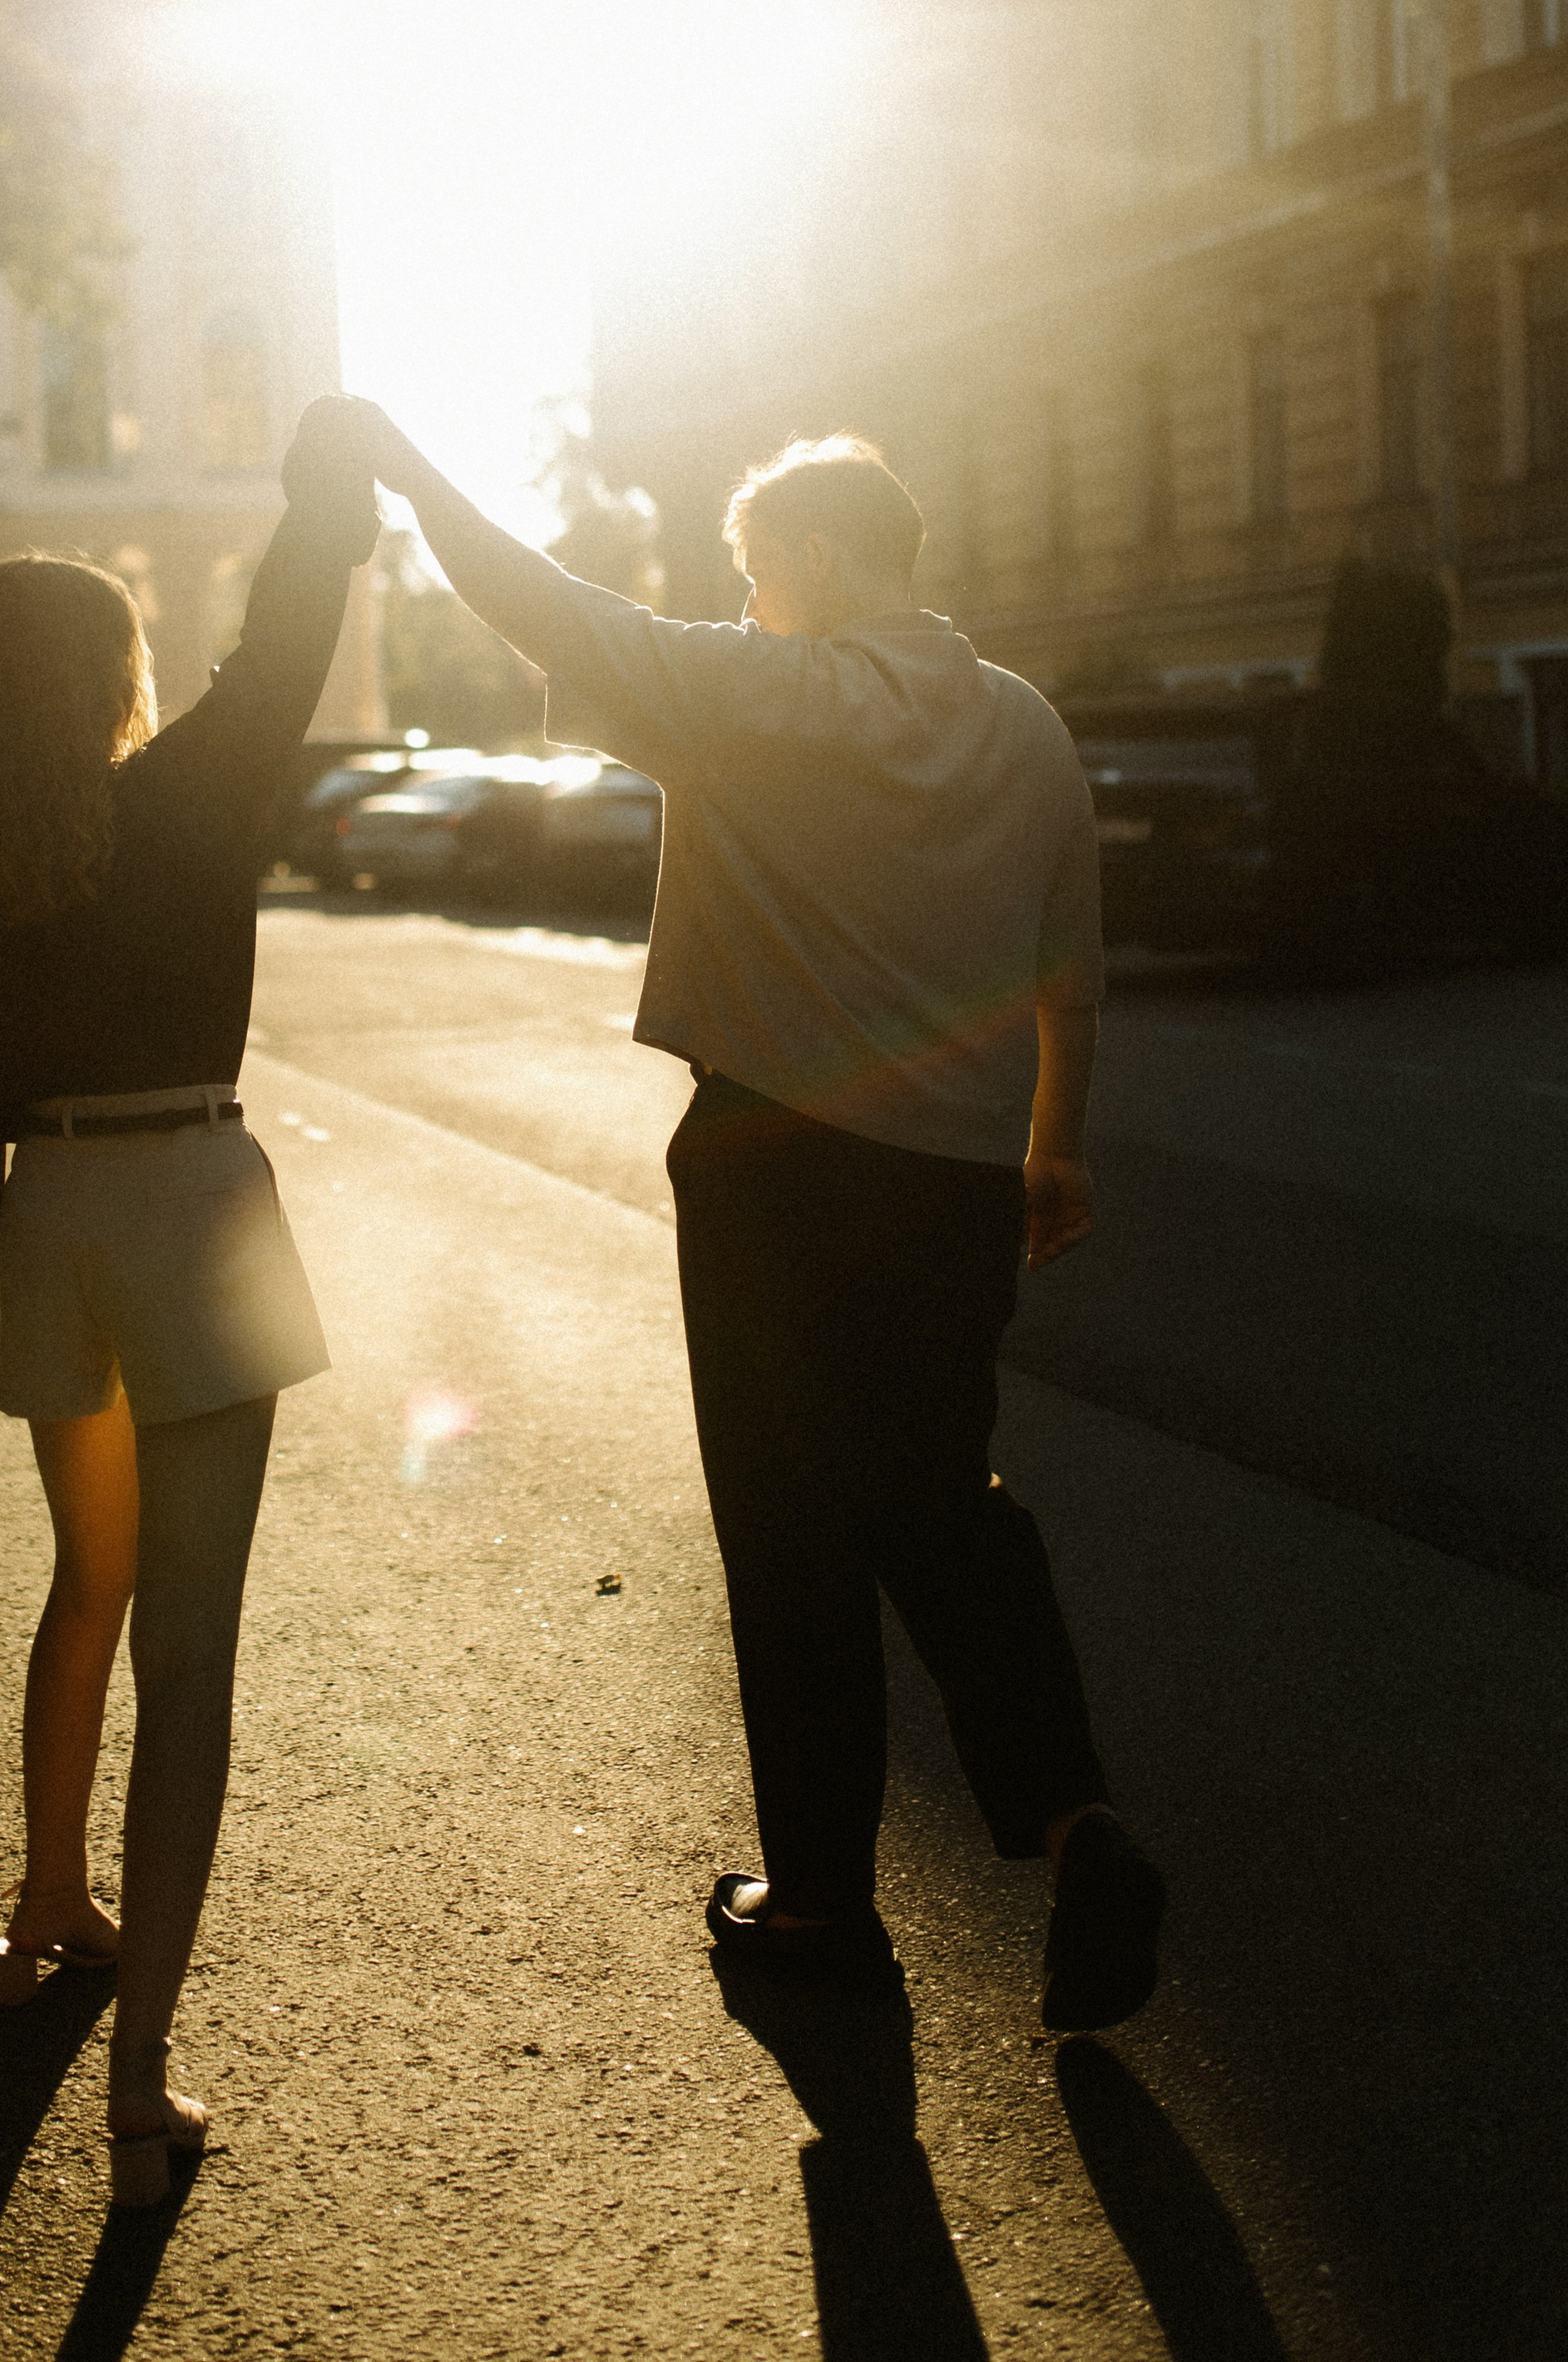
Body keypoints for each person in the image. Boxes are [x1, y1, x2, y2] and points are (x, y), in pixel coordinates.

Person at [343, 404, 1163, 2028]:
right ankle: (1081, 1828)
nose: (749, 600)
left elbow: (541, 604)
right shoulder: (1023, 726)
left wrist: (411, 471)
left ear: (814, 558)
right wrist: (1052, 1148)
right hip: (954, 1181)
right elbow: (1066, 964)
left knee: (790, 1532)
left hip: (774, 1171)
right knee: (944, 1505)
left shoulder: (757, 697)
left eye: (758, 570)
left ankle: (823, 1904)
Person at [0, 399, 378, 2203]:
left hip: (56, 1220)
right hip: (195, 1211)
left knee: (88, 1582)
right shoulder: (189, 798)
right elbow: (286, 640)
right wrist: (323, 484)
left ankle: (46, 1903)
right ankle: (142, 2079)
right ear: (111, 677)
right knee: (192, 1650)